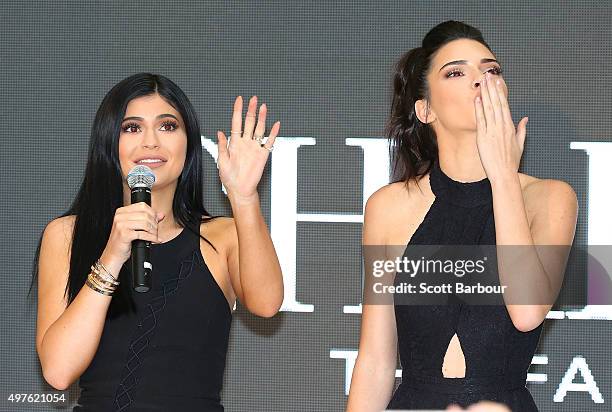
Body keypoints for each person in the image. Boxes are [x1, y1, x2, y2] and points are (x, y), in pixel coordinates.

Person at [346, 21, 577, 411]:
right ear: (425, 109)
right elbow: (376, 362)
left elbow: (526, 311)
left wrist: (504, 173)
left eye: (491, 70)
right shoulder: (387, 207)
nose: (480, 80)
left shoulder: (550, 198)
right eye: (456, 71)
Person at [33, 73, 284, 411]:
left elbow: (267, 304)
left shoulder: (221, 236)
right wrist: (112, 255)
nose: (150, 142)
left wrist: (243, 197)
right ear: (109, 142)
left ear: (188, 143)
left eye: (167, 126)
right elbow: (58, 371)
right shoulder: (67, 234)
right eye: (132, 128)